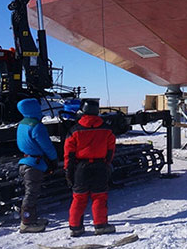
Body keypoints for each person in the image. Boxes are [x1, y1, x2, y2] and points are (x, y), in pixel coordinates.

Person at [64, 100, 116, 237]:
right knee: (99, 196)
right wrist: (106, 164)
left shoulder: (74, 130)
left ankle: (75, 227)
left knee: (79, 198)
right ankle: (100, 225)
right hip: (100, 166)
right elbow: (111, 149)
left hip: (81, 168)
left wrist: (68, 172)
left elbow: (69, 154)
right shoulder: (107, 129)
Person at [16, 98, 58, 233]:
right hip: (34, 164)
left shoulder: (22, 124)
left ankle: (32, 219)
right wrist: (54, 159)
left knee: (31, 192)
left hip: (25, 161)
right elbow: (47, 145)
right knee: (31, 193)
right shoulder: (36, 126)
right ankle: (27, 222)